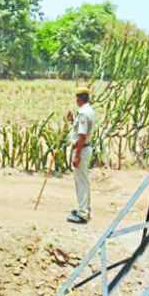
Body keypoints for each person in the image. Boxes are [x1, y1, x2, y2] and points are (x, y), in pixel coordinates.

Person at [66, 87, 96, 224]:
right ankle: (84, 209)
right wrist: (72, 121)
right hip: (83, 148)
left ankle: (83, 213)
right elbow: (80, 131)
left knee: (81, 182)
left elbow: (82, 136)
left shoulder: (83, 113)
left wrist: (77, 155)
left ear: (79, 98)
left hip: (81, 149)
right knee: (83, 180)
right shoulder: (88, 111)